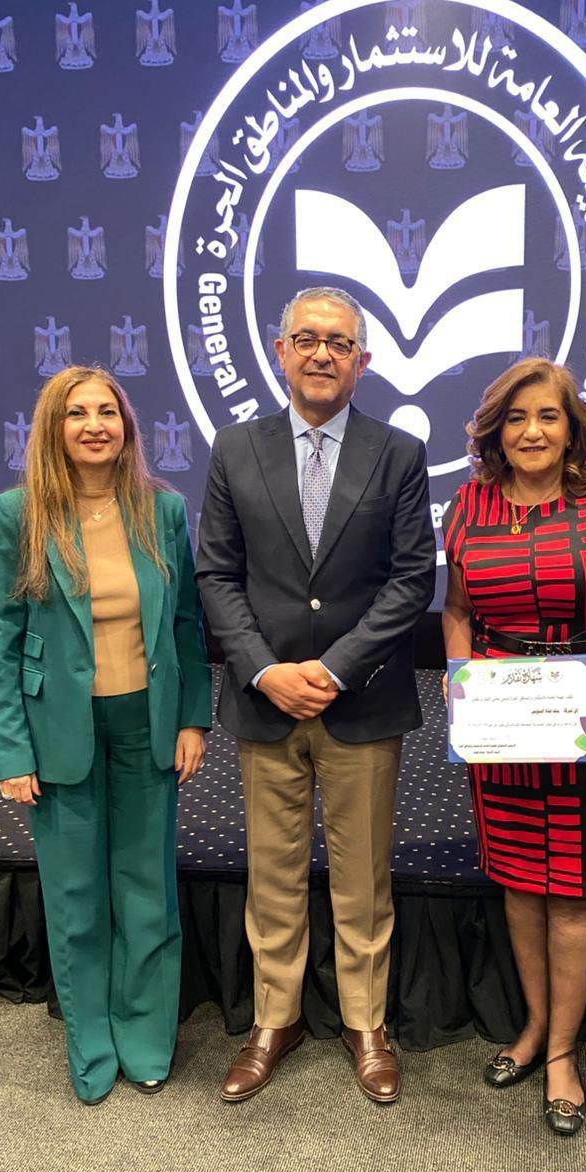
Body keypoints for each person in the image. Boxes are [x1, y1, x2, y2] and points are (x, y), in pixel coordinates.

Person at [197, 287, 436, 1106]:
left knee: (363, 874)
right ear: (280, 351)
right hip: (265, 700)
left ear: (363, 360)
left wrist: (333, 670)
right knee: (272, 872)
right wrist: (265, 670)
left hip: (360, 701)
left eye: (339, 342)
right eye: (307, 339)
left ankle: (367, 1024)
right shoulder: (235, 447)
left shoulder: (398, 453)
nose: (322, 354)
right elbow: (217, 575)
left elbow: (411, 581)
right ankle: (277, 1019)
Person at [442, 357, 586, 1136]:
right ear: (494, 431)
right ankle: (534, 1027)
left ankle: (563, 1052)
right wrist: (460, 676)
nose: (531, 431)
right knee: (519, 883)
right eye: (515, 417)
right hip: (505, 716)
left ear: (572, 428)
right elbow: (457, 609)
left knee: (573, 890)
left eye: (547, 416)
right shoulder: (467, 505)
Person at [0, 365, 212, 1104]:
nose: (94, 426)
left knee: (147, 891)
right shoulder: (20, 513)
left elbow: (186, 624)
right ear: (54, 429)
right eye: (76, 413)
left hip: (147, 722)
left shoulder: (162, 511)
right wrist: (12, 750)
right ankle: (90, 1045)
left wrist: (192, 717)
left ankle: (145, 1040)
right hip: (60, 730)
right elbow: (5, 640)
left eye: (107, 412)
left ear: (126, 426)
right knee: (76, 896)